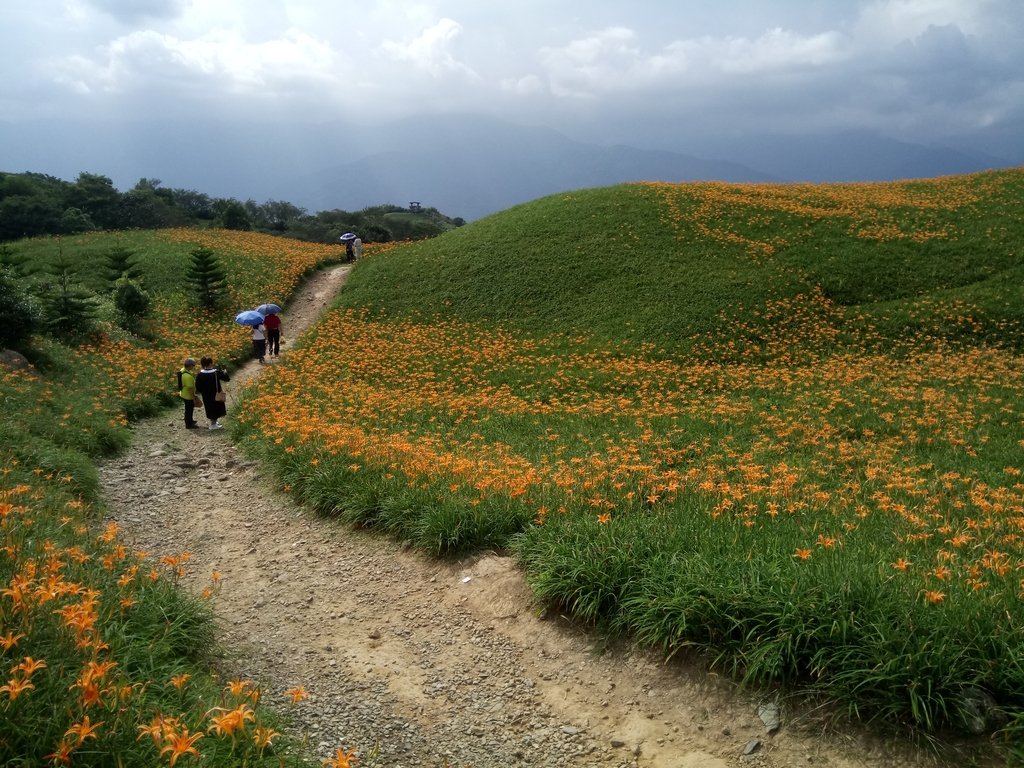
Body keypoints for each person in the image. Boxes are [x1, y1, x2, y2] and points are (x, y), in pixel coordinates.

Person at [194, 356, 230, 430]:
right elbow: (227, 379)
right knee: (217, 407)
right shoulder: (216, 372)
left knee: (209, 408)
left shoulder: (200, 374)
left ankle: (214, 422)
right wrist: (225, 372)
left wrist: (203, 391)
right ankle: (213, 425)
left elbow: (198, 387)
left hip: (206, 395)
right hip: (216, 393)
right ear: (210, 363)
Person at [177, 357, 199, 429]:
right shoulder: (188, 376)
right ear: (190, 365)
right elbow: (190, 389)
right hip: (188, 395)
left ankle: (190, 421)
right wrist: (193, 398)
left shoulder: (183, 370)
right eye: (193, 365)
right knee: (189, 410)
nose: (194, 367)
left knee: (188, 409)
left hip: (183, 393)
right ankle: (189, 425)